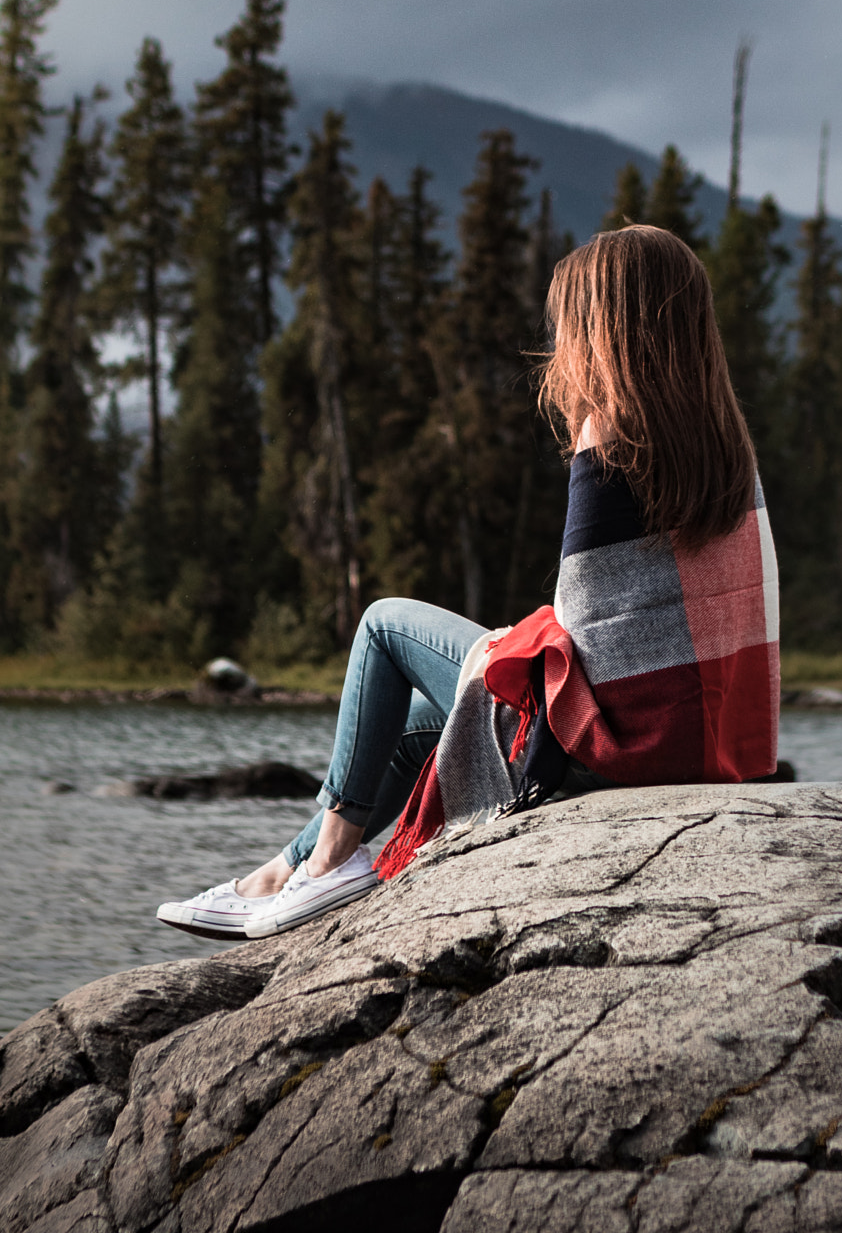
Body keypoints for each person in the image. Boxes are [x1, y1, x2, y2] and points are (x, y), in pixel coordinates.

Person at [156, 224, 779, 942]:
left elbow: (576, 642)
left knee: (384, 626)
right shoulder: (731, 453)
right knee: (414, 732)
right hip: (697, 750)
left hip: (605, 754)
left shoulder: (607, 432)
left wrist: (516, 642)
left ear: (602, 325)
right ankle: (281, 871)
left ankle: (325, 862)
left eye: (568, 322)